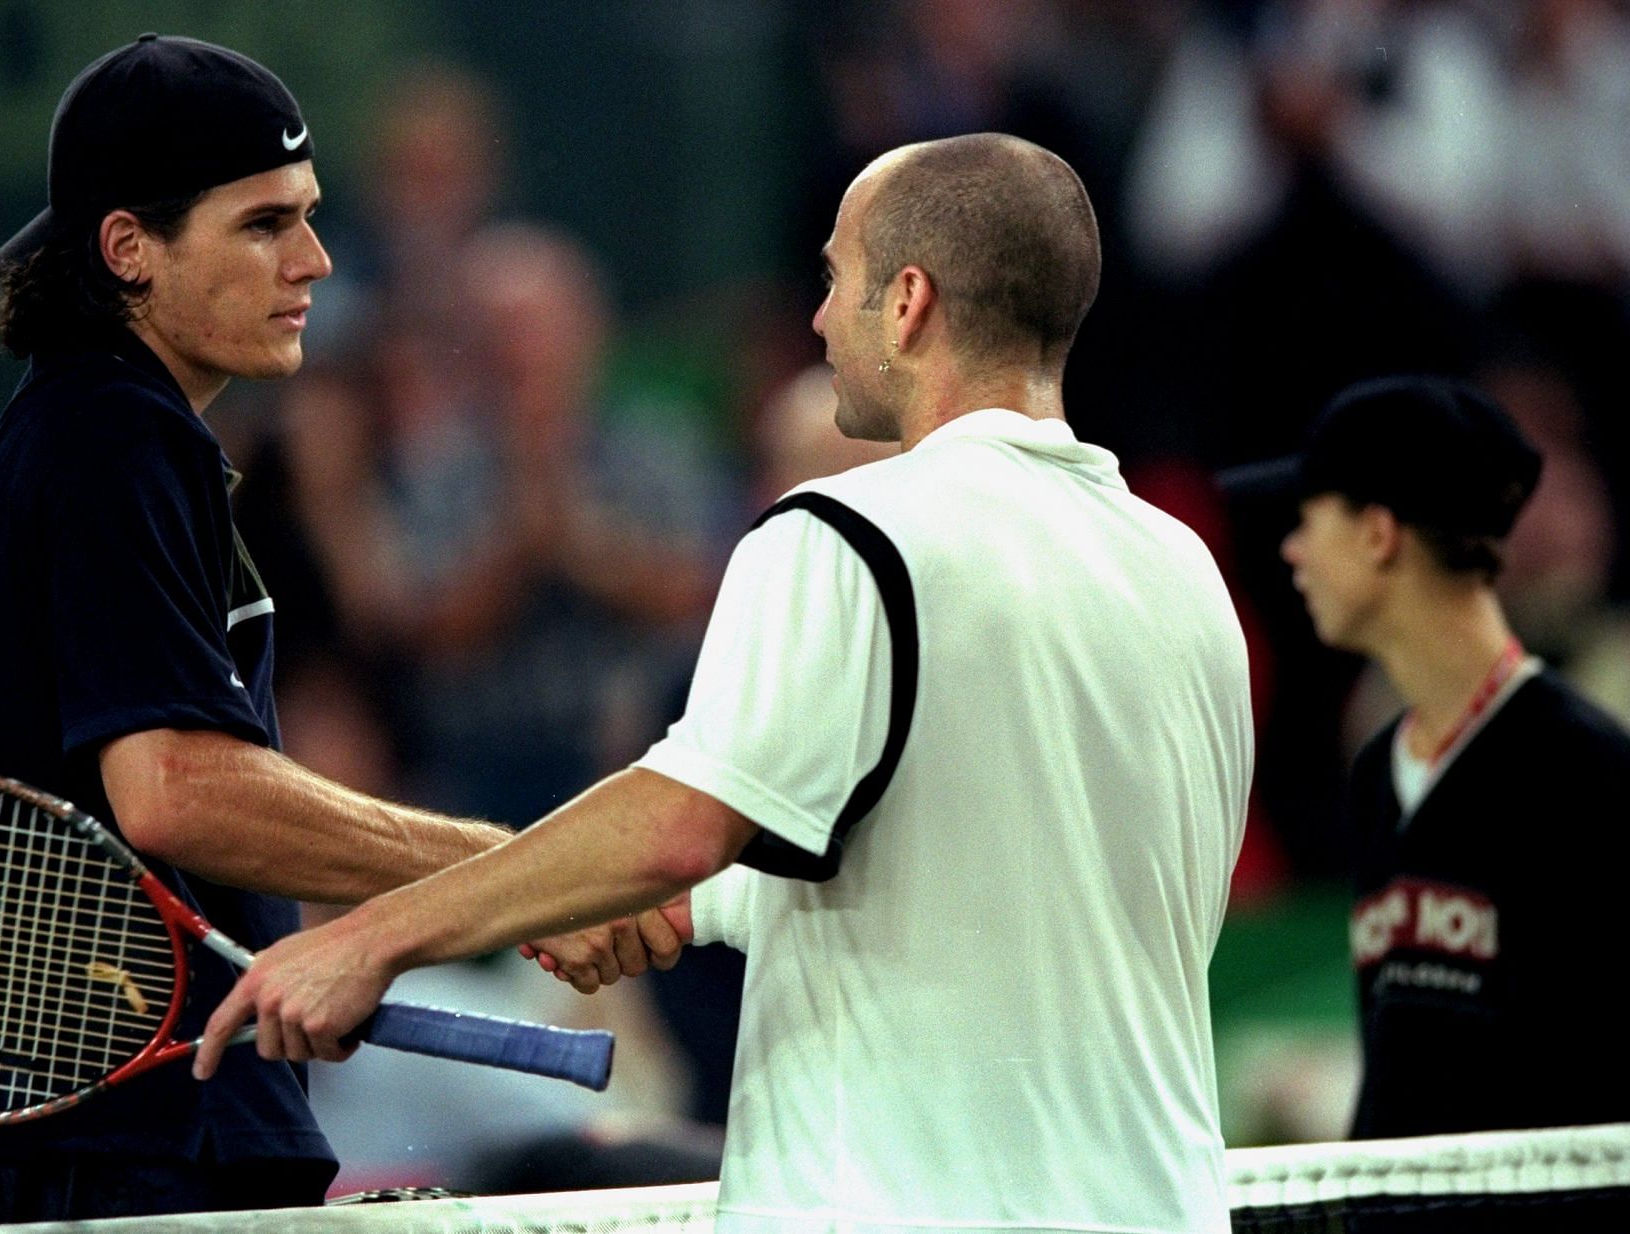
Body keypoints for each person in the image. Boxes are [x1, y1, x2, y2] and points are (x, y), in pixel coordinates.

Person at [198, 133, 1254, 1234]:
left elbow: (675, 827)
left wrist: (367, 937)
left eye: (835, 279)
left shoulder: (841, 532)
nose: (814, 319)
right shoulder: (1187, 574)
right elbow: (991, 883)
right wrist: (665, 903)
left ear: (907, 302)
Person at [0, 34, 656, 1225]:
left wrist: (317, 948)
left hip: (130, 1119)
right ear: (129, 250)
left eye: (309, 218)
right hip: (120, 1138)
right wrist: (514, 876)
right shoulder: (117, 439)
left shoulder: (104, 428)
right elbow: (175, 790)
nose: (312, 260)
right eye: (263, 225)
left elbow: (160, 823)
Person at [1227, 375, 1630, 1139]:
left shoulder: (1581, 767)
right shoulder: (1381, 768)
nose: (1292, 551)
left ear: (1379, 535)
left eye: (1308, 520)